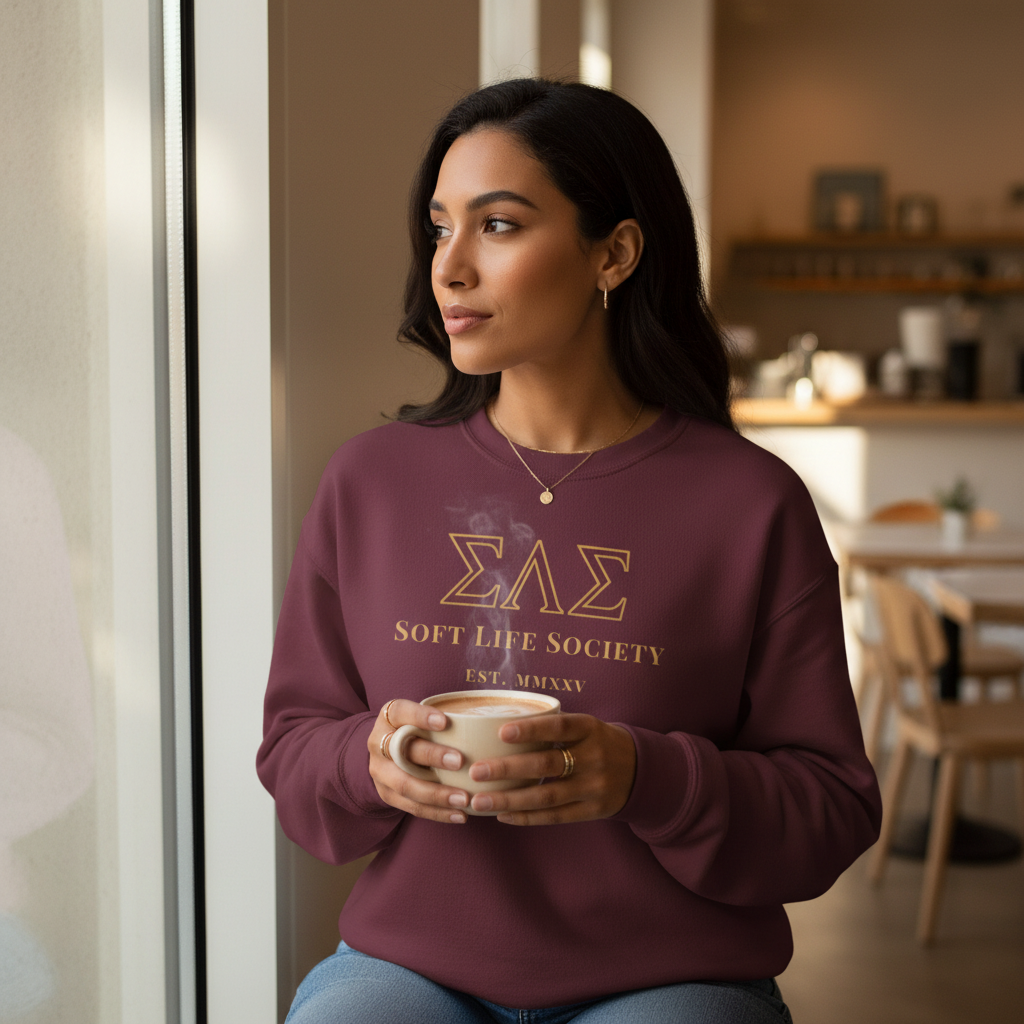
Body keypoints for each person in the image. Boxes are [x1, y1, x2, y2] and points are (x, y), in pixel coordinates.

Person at [257, 79, 881, 1023]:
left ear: (614, 252)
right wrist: (368, 762)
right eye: (439, 228)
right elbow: (294, 749)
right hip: (407, 968)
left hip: (675, 976)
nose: (450, 268)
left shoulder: (751, 504)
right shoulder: (370, 481)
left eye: (497, 226)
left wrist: (646, 777)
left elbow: (832, 808)